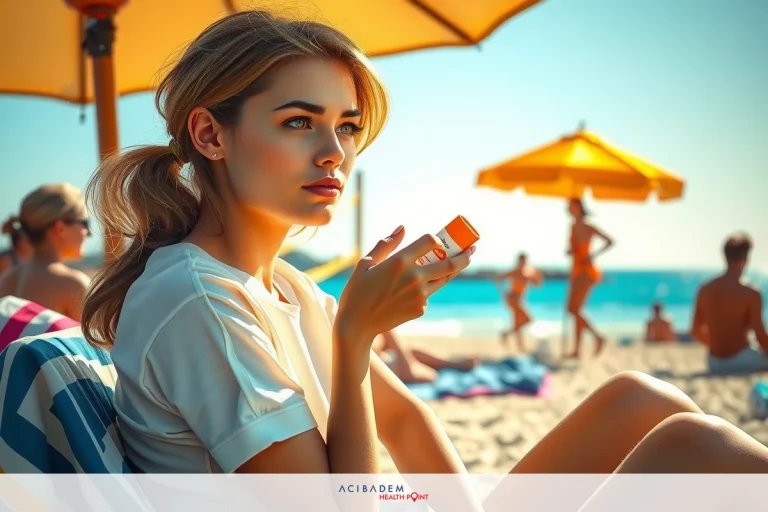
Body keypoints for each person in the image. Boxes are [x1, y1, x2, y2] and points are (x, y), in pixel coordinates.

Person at [79, 10, 766, 492]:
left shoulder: (283, 284)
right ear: (210, 135)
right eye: (299, 122)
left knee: (638, 397)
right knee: (695, 449)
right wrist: (355, 339)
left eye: (347, 127)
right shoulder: (198, 300)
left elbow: (406, 423)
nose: (335, 153)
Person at [0, 183, 91, 321]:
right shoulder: (73, 285)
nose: (88, 233)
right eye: (85, 223)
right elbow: (90, 342)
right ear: (60, 228)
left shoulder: (7, 279)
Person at [691, 233, 768, 374]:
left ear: (725, 257)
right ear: (746, 259)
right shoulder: (751, 293)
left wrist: (716, 346)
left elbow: (695, 330)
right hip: (742, 358)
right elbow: (760, 336)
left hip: (714, 361)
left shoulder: (705, 289)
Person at [565, 198, 612, 358]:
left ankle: (598, 337)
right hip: (576, 271)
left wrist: (592, 255)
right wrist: (570, 252)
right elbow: (572, 249)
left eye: (571, 205)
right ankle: (577, 350)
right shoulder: (572, 226)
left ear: (578, 206)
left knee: (573, 309)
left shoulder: (588, 225)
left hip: (586, 271)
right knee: (577, 310)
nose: (568, 208)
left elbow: (609, 241)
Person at [373, 329, 478, 384]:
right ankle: (409, 366)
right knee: (431, 375)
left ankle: (450, 363)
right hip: (377, 367)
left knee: (412, 351)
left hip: (380, 357)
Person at [495, 252, 542, 352]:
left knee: (518, 323)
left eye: (525, 260)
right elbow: (498, 278)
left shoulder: (527, 273)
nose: (523, 262)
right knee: (528, 319)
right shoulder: (515, 272)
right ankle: (506, 334)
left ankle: (520, 347)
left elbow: (537, 285)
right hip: (513, 300)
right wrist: (504, 293)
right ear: (519, 261)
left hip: (519, 301)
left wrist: (538, 276)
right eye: (522, 260)